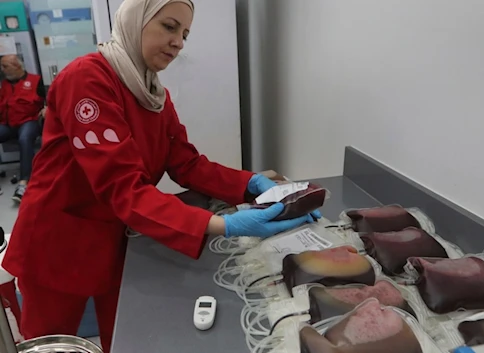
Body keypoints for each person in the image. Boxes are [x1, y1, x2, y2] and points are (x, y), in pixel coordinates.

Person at [1, 0, 320, 352]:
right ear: (134, 21)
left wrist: (249, 184)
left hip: (114, 235)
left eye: (184, 34)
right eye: (169, 27)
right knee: (51, 343)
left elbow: (185, 163)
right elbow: (122, 188)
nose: (179, 42)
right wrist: (223, 225)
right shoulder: (87, 79)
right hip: (58, 241)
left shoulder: (153, 93)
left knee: (123, 338)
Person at [0, 54, 45, 201]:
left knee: (25, 139)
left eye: (5, 66)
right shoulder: (4, 84)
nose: (2, 69)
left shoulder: (36, 81)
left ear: (16, 66)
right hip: (8, 123)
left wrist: (46, 108)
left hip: (29, 121)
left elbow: (50, 99)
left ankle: (23, 182)